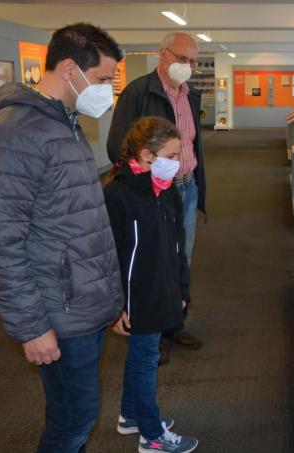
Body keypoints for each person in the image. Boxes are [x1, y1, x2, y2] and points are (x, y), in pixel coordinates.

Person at [0, 23, 125, 453]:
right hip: (56, 314)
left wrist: (108, 302)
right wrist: (30, 326)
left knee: (77, 416)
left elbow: (82, 224)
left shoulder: (64, 123)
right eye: (100, 80)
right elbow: (0, 242)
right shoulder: (13, 132)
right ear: (71, 68)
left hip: (81, 306)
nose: (105, 91)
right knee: (72, 423)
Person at [103, 116, 199, 453]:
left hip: (163, 290)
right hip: (135, 297)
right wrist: (116, 306)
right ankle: (151, 435)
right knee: (146, 360)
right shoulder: (119, 194)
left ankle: (130, 416)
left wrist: (182, 291)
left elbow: (177, 247)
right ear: (146, 155)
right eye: (171, 156)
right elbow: (108, 255)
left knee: (140, 356)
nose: (177, 163)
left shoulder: (166, 190)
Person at [108, 32, 205, 362]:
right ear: (163, 55)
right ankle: (150, 329)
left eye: (193, 61)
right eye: (182, 59)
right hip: (150, 193)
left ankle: (173, 323)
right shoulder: (138, 92)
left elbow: (192, 146)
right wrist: (146, 182)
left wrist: (195, 183)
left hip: (184, 189)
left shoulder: (191, 96)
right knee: (147, 261)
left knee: (179, 255)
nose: (188, 66)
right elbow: (117, 147)